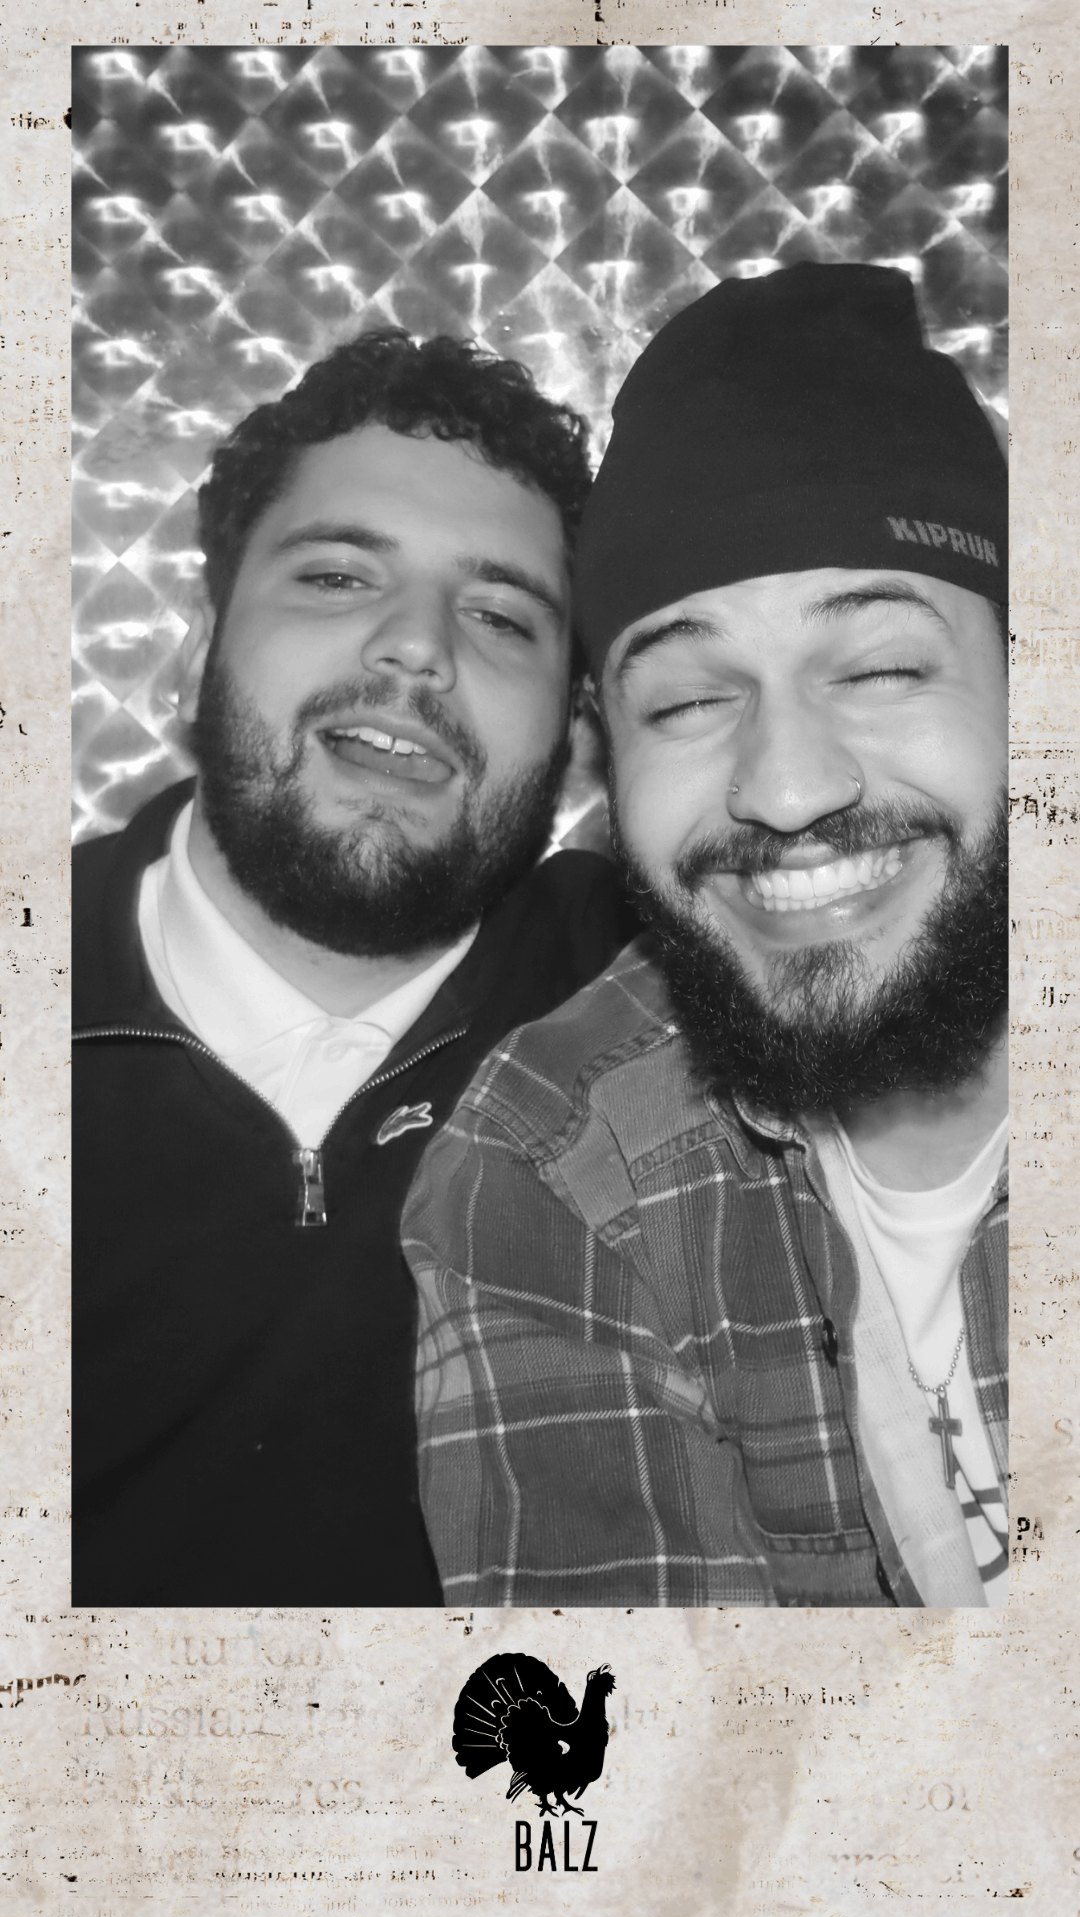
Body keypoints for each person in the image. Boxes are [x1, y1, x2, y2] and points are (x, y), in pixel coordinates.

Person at [404, 263, 1009, 1609]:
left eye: (881, 668)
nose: (785, 787)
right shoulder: (554, 1167)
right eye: (684, 702)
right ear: (609, 765)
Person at [72, 328, 635, 1606]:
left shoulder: (668, 1020)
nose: (416, 646)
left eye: (500, 615)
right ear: (200, 644)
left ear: (573, 731)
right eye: (336, 577)